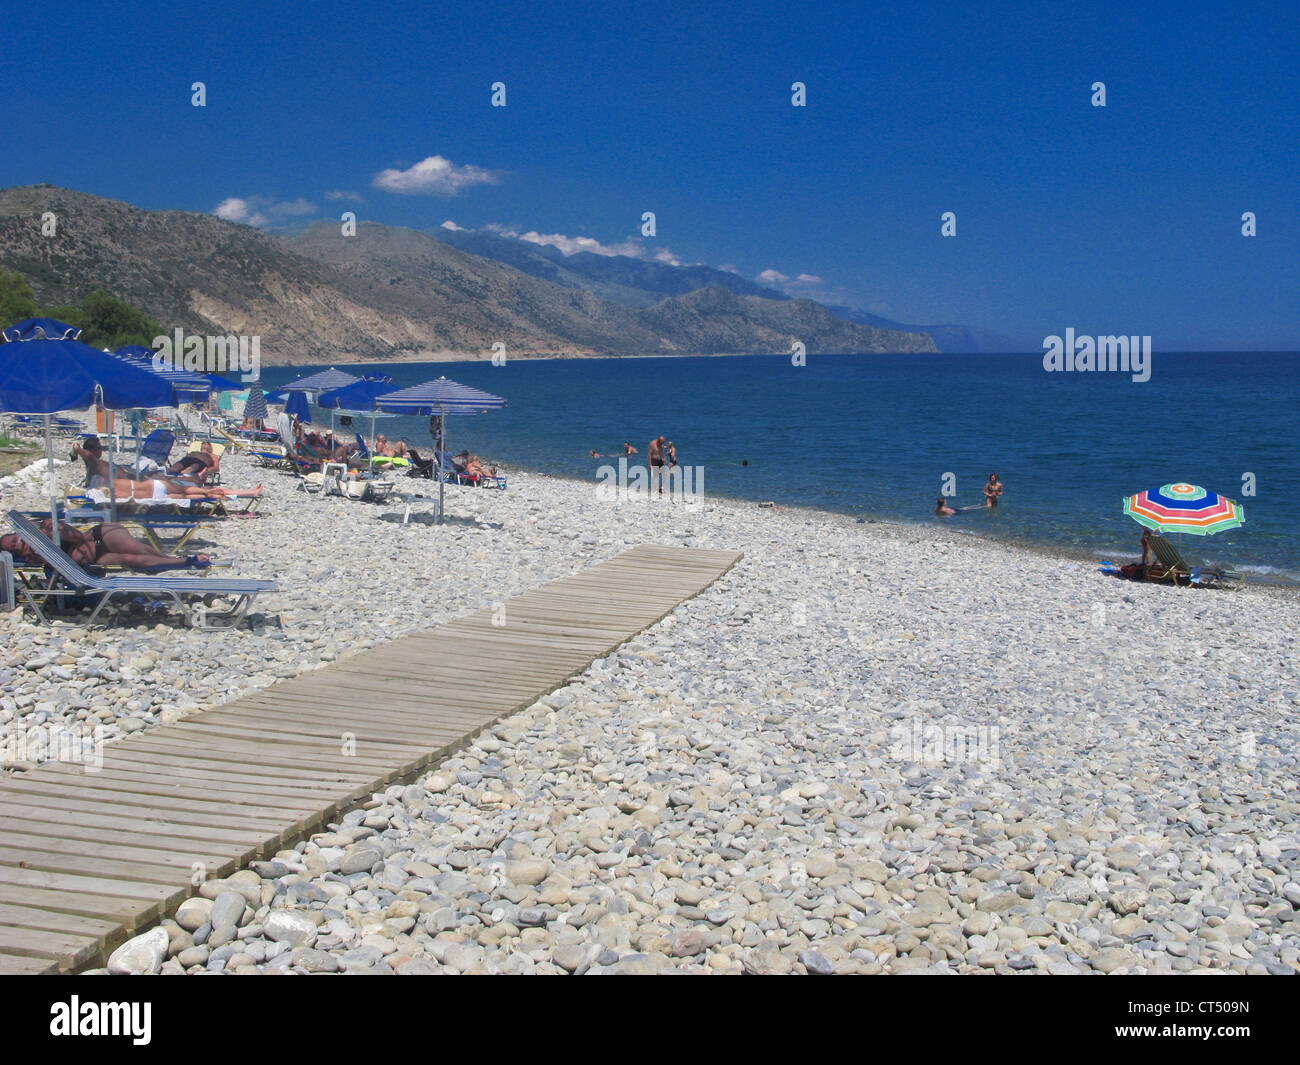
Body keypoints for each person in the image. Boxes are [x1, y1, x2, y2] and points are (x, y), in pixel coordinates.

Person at [2, 522, 212, 571]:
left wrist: (57, 531)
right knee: (130, 559)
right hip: (96, 558)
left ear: (19, 534)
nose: (15, 546)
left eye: (13, 541)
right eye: (11, 548)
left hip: (100, 536)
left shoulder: (46, 528)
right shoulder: (35, 559)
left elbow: (77, 538)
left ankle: (169, 559)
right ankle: (186, 563)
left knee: (135, 548)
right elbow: (64, 567)